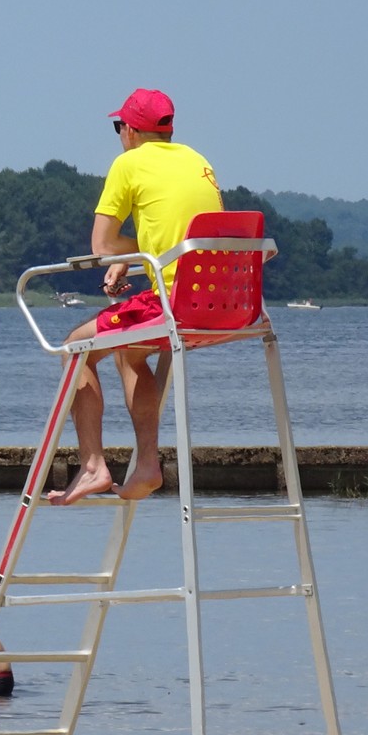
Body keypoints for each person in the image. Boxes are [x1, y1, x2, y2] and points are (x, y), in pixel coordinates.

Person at [48, 88, 224, 506]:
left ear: (129, 129)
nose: (119, 135)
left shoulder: (128, 163)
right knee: (129, 352)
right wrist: (134, 259)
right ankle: (146, 464)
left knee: (76, 348)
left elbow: (101, 244)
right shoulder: (197, 160)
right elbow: (183, 235)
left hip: (176, 302)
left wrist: (121, 256)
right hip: (226, 303)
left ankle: (93, 466)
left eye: (118, 127)